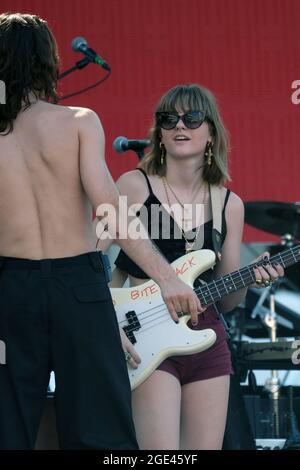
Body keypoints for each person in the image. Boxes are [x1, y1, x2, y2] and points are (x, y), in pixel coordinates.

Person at [0, 14, 202, 450]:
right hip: (80, 289)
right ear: (47, 62)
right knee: (100, 431)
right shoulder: (77, 120)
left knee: (7, 423)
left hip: (10, 289)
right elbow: (110, 210)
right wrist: (167, 278)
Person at [110, 83, 284, 449]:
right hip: (146, 336)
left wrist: (254, 279)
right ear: (158, 133)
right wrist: (109, 322)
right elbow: (92, 261)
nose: (179, 125)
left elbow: (228, 302)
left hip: (207, 339)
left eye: (192, 117)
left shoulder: (228, 204)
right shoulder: (134, 186)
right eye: (168, 118)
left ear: (211, 134)